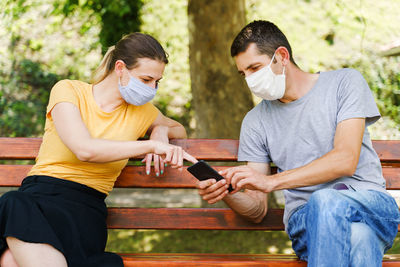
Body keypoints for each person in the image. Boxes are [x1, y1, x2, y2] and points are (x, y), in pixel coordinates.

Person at [196, 20, 400, 266]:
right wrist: (226, 192)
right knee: (359, 237)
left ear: (282, 56)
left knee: (326, 200)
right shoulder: (255, 122)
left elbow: (345, 160)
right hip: (306, 222)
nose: (249, 80)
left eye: (255, 68)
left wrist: (272, 181)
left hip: (369, 205)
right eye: (243, 74)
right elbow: (257, 210)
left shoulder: (345, 83)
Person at [0, 32, 196, 267]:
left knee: (12, 258)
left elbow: (179, 129)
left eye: (157, 81)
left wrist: (160, 130)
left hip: (85, 210)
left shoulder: (143, 112)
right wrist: (153, 144)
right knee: (13, 208)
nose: (152, 88)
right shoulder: (69, 91)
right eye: (146, 80)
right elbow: (84, 149)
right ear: (120, 68)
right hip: (39, 197)